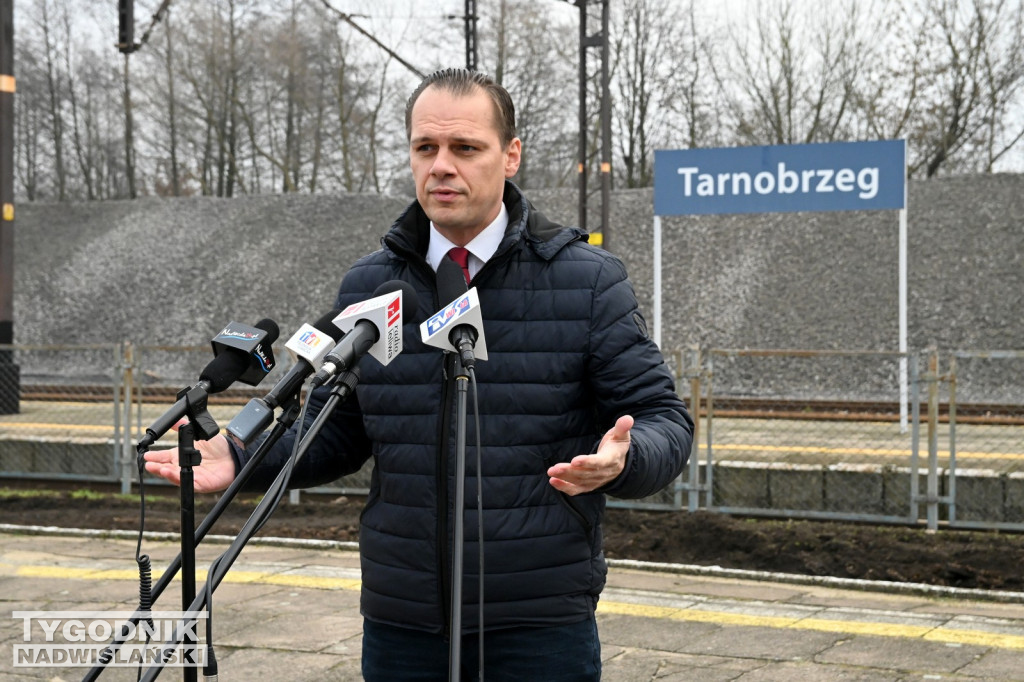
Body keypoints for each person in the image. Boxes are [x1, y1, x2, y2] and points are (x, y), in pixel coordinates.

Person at [145, 67, 693, 681]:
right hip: (402, 621)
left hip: (538, 624)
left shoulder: (587, 282)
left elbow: (666, 421)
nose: (441, 166)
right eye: (425, 148)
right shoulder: (370, 285)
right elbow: (339, 431)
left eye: (465, 148)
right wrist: (243, 457)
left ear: (510, 156)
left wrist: (626, 458)